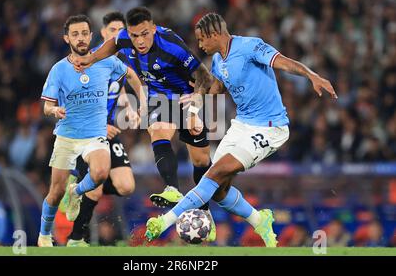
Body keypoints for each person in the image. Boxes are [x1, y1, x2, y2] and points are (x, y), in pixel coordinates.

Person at [144, 12, 337, 247]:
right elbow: (219, 87)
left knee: (213, 175)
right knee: (217, 190)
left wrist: (311, 75)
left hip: (269, 127)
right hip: (241, 125)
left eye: (202, 40)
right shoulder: (218, 60)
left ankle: (164, 222)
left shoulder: (250, 46)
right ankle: (260, 219)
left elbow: (284, 62)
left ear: (214, 35)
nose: (200, 45)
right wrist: (197, 94)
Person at [72, 7, 217, 240]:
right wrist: (91, 57)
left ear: (153, 28)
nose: (140, 41)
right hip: (160, 100)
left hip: (187, 97)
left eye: (145, 34)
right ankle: (172, 189)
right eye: (134, 35)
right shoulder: (124, 38)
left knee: (200, 160)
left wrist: (194, 109)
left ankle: (205, 213)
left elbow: (204, 76)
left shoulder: (171, 44)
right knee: (158, 132)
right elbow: (113, 44)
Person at [38, 14, 135, 247]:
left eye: (83, 33)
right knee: (55, 192)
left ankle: (78, 192)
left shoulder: (107, 62)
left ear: (91, 36)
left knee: (101, 173)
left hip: (96, 135)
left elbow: (128, 76)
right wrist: (54, 111)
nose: (80, 38)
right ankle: (43, 236)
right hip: (67, 136)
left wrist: (134, 103)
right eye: (75, 34)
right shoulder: (59, 69)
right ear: (66, 38)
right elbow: (46, 106)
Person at [65, 11, 146, 247]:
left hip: (107, 133)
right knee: (97, 189)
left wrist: (136, 104)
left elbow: (127, 78)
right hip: (85, 134)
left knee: (126, 186)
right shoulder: (91, 62)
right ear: (103, 33)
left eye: (122, 32)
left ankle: (80, 186)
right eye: (113, 31)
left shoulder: (122, 59)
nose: (118, 35)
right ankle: (75, 238)